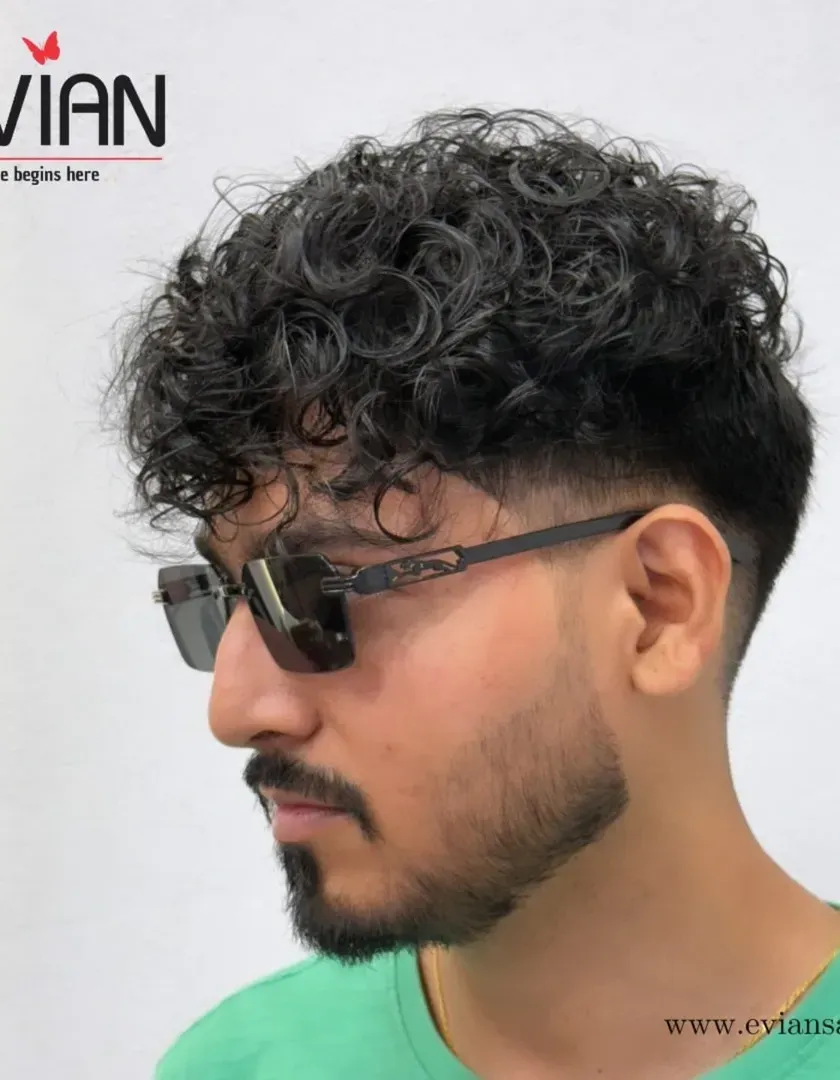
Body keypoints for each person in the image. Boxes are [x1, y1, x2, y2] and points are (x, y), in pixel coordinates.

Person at [100, 107, 840, 1079]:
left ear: (659, 605)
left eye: (322, 592)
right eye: (227, 595)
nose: (235, 710)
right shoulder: (237, 1065)